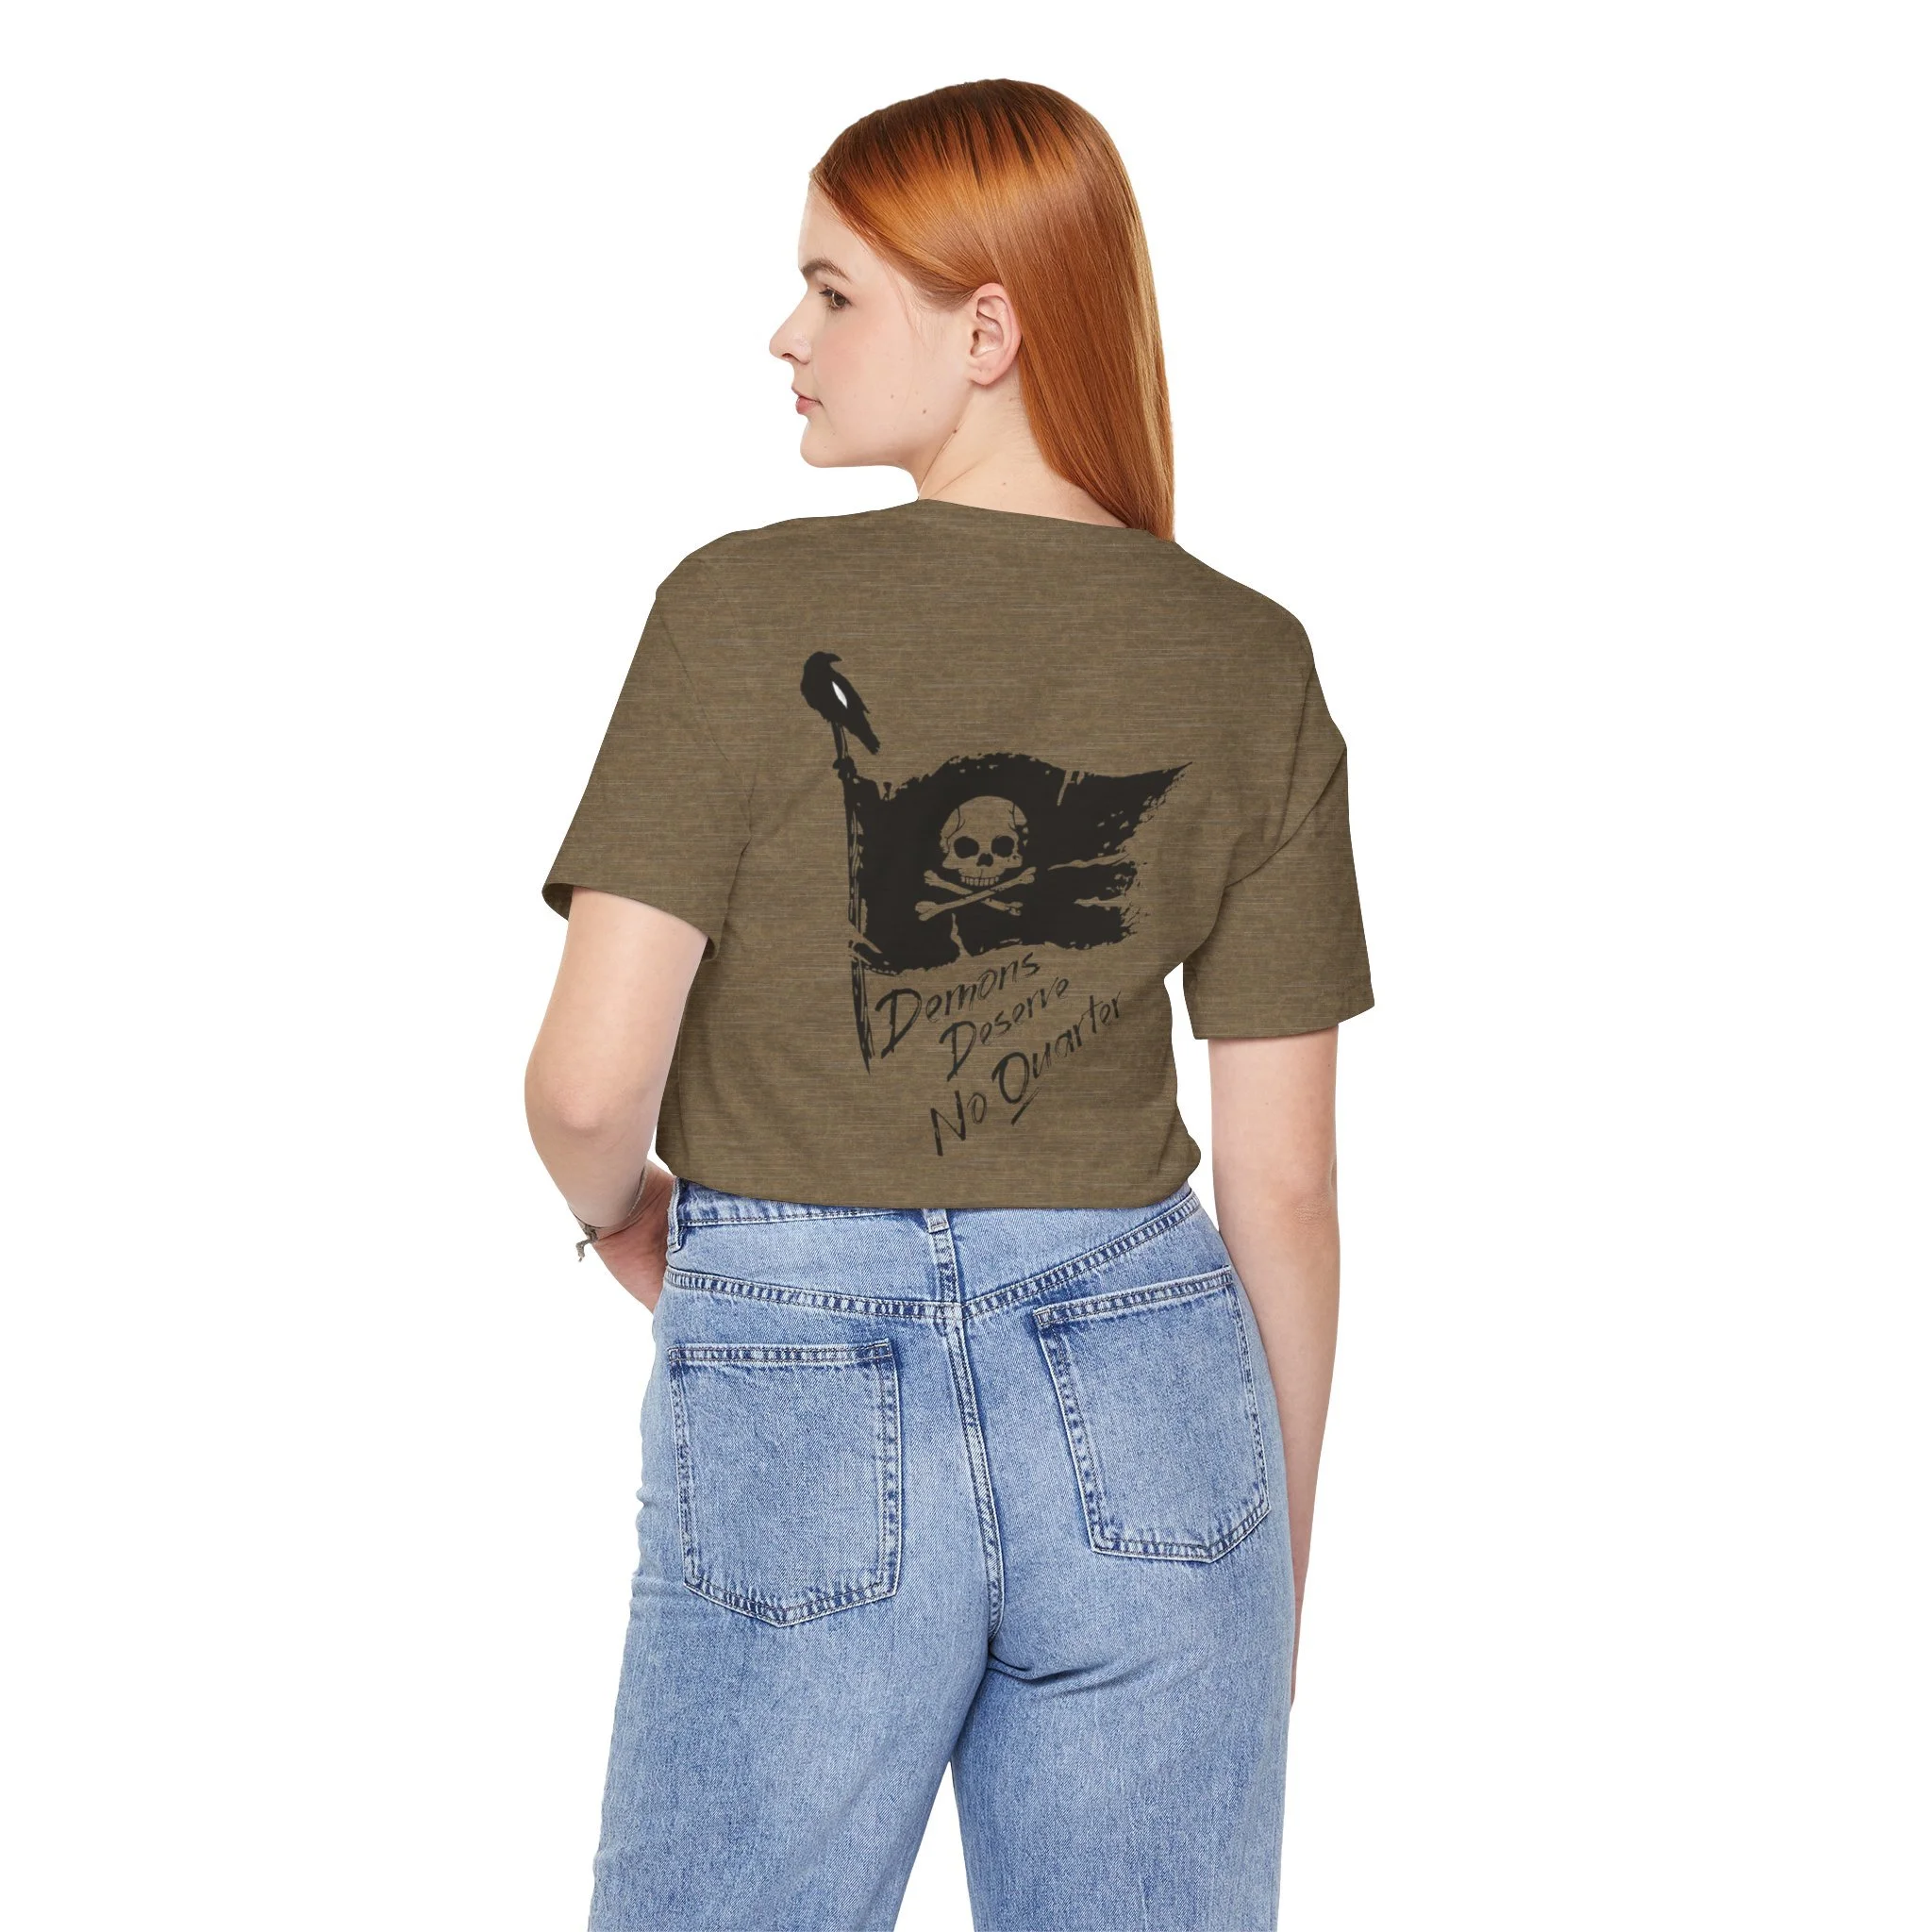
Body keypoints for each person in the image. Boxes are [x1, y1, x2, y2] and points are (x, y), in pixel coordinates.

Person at [525, 76, 1374, 1932]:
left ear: (987, 331)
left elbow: (588, 1087)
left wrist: (627, 1222)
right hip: (1156, 1397)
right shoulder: (1248, 657)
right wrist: (1268, 1566)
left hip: (798, 1371)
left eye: (833, 291)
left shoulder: (738, 611)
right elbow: (1287, 1190)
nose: (787, 335)